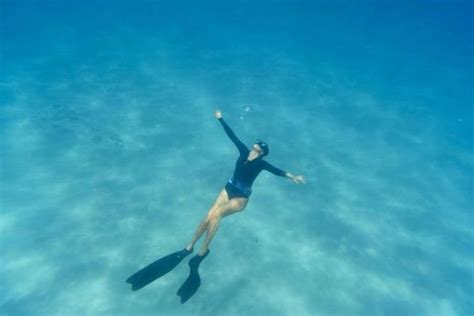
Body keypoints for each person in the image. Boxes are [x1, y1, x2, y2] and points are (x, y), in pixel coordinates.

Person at [184, 109, 305, 259]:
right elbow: (232, 135)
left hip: (241, 197)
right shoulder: (243, 151)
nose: (256, 144)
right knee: (208, 215)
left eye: (259, 145)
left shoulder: (261, 164)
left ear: (262, 151)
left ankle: (202, 251)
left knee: (217, 214)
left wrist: (293, 177)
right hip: (229, 187)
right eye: (257, 143)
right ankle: (190, 245)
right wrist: (220, 119)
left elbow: (277, 171)